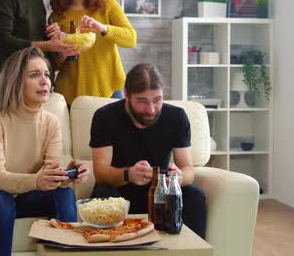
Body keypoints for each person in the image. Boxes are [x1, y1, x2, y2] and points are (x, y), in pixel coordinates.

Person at [0, 47, 90, 256]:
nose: (44, 81)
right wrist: (37, 182)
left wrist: (65, 175)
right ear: (17, 82)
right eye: (34, 75)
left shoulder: (51, 123)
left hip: (22, 198)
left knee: (64, 194)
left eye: (46, 74)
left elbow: (49, 174)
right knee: (0, 200)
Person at [89, 63, 207, 238]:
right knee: (103, 194)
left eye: (157, 100)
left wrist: (179, 178)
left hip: (160, 194)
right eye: (142, 102)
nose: (151, 110)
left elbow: (188, 169)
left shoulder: (176, 117)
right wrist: (128, 174)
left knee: (195, 195)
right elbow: (100, 174)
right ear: (127, 95)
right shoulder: (105, 117)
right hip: (119, 192)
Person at [49, 0, 137, 105]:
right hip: (68, 93)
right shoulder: (58, 14)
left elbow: (131, 39)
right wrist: (62, 52)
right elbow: (55, 65)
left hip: (109, 88)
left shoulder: (107, 4)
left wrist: (103, 28)